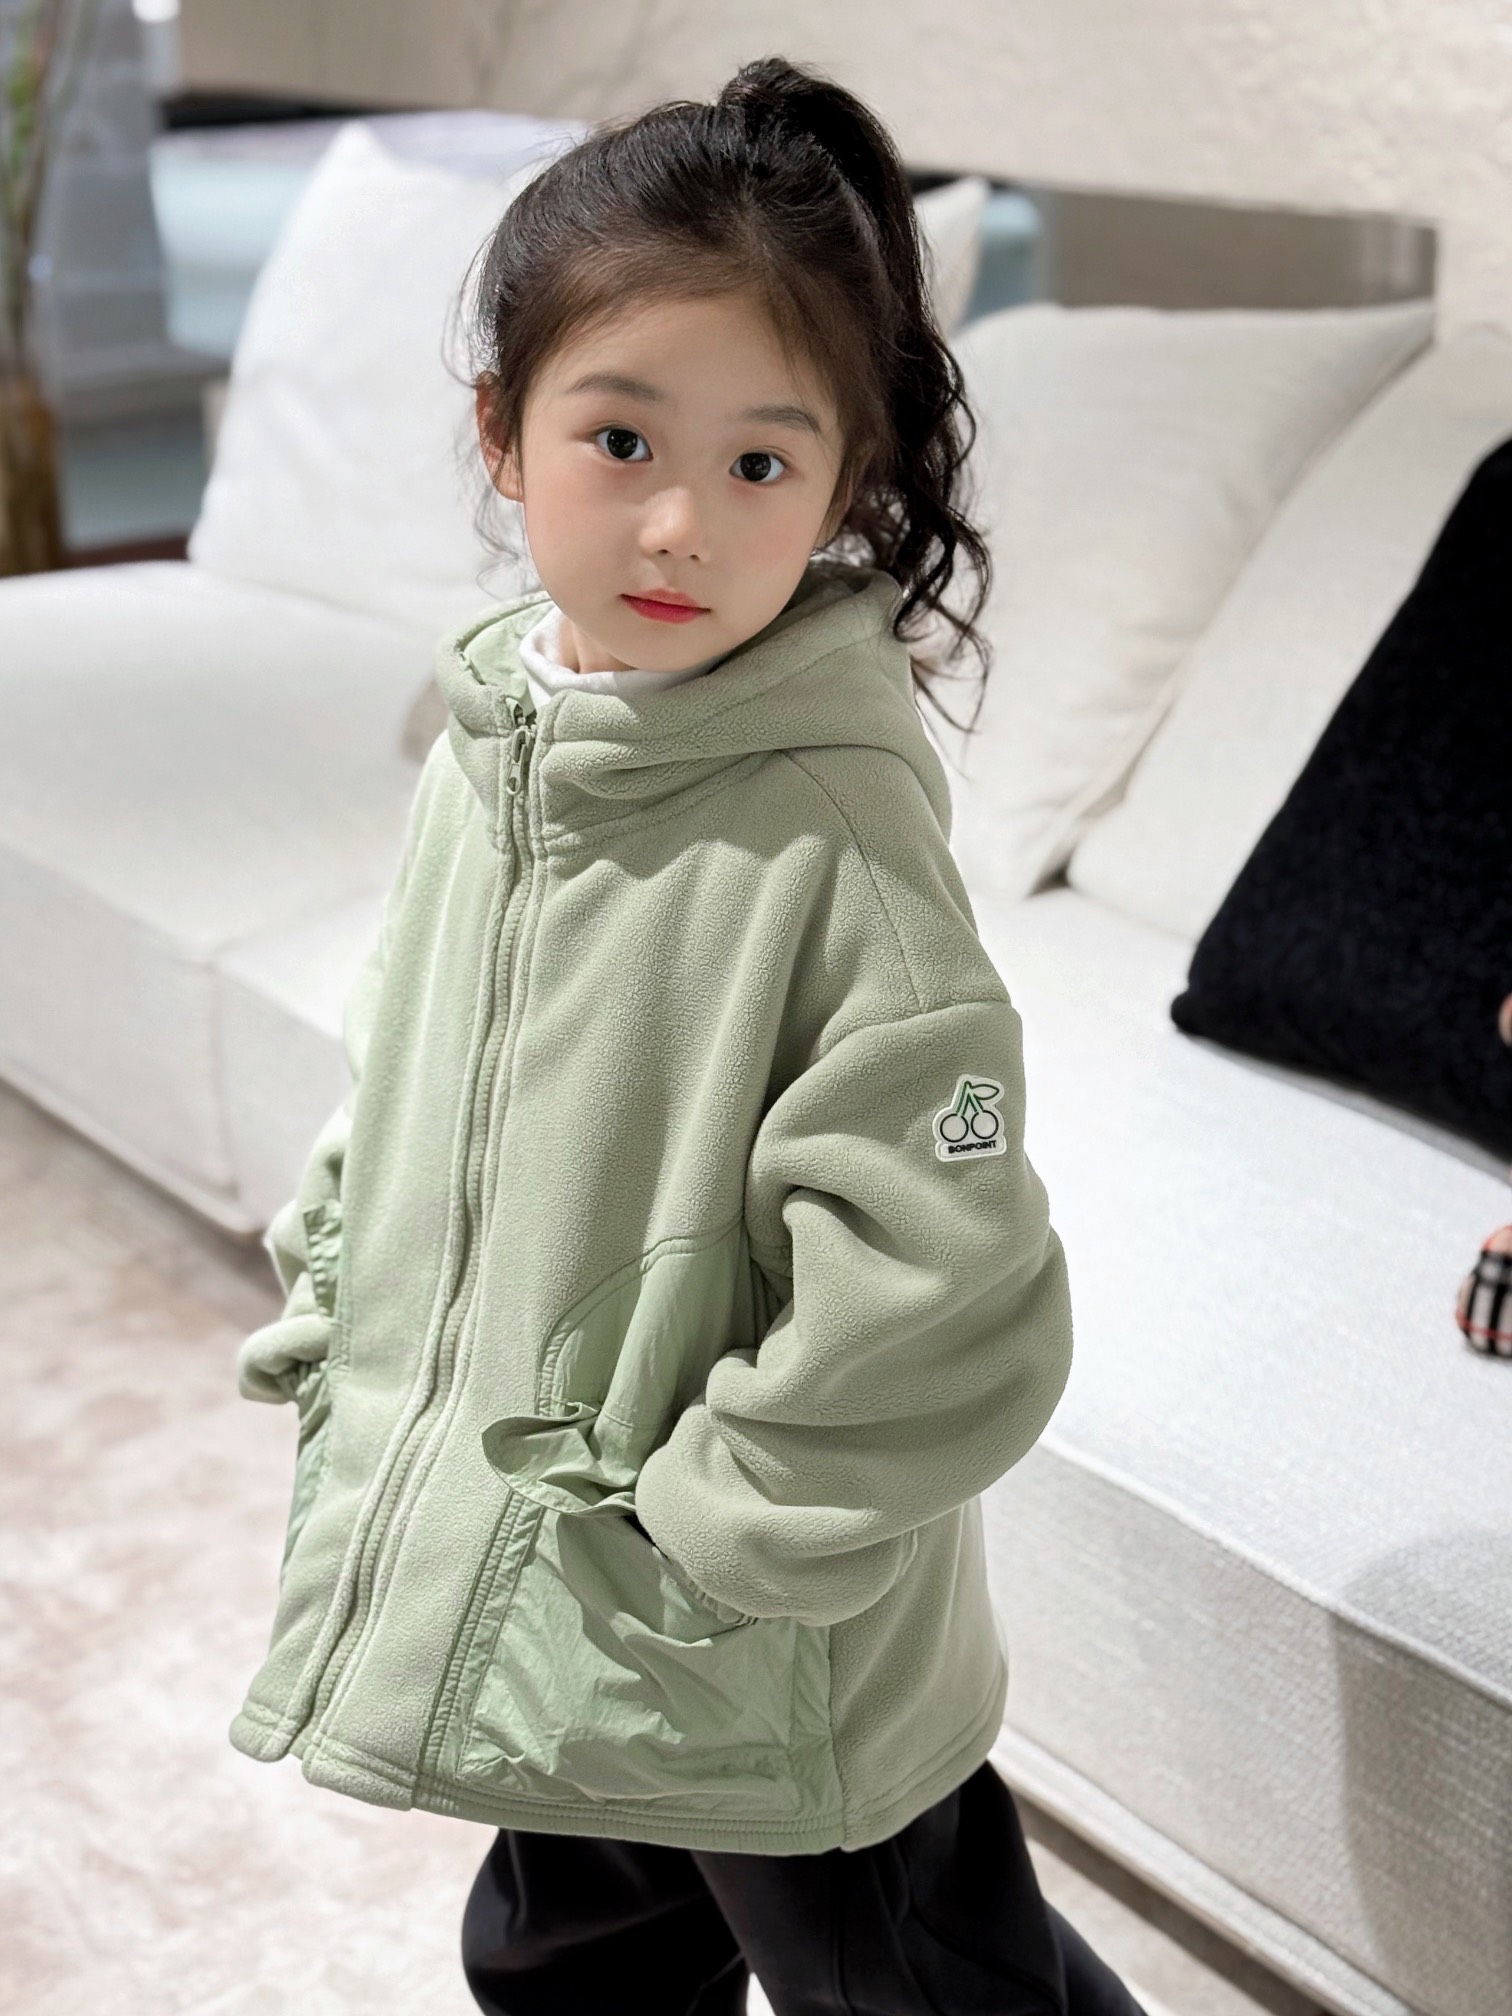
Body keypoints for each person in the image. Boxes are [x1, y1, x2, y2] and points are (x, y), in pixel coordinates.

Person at [229, 53, 1148, 2016]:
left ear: (845, 481)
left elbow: (950, 1283)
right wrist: (336, 1285)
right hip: (552, 1583)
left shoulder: (832, 833)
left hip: (749, 1635)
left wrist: (716, 1533)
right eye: (622, 437)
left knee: (916, 1979)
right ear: (503, 430)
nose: (676, 526)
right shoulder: (501, 751)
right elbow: (417, 1065)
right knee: (555, 1960)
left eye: (758, 466)